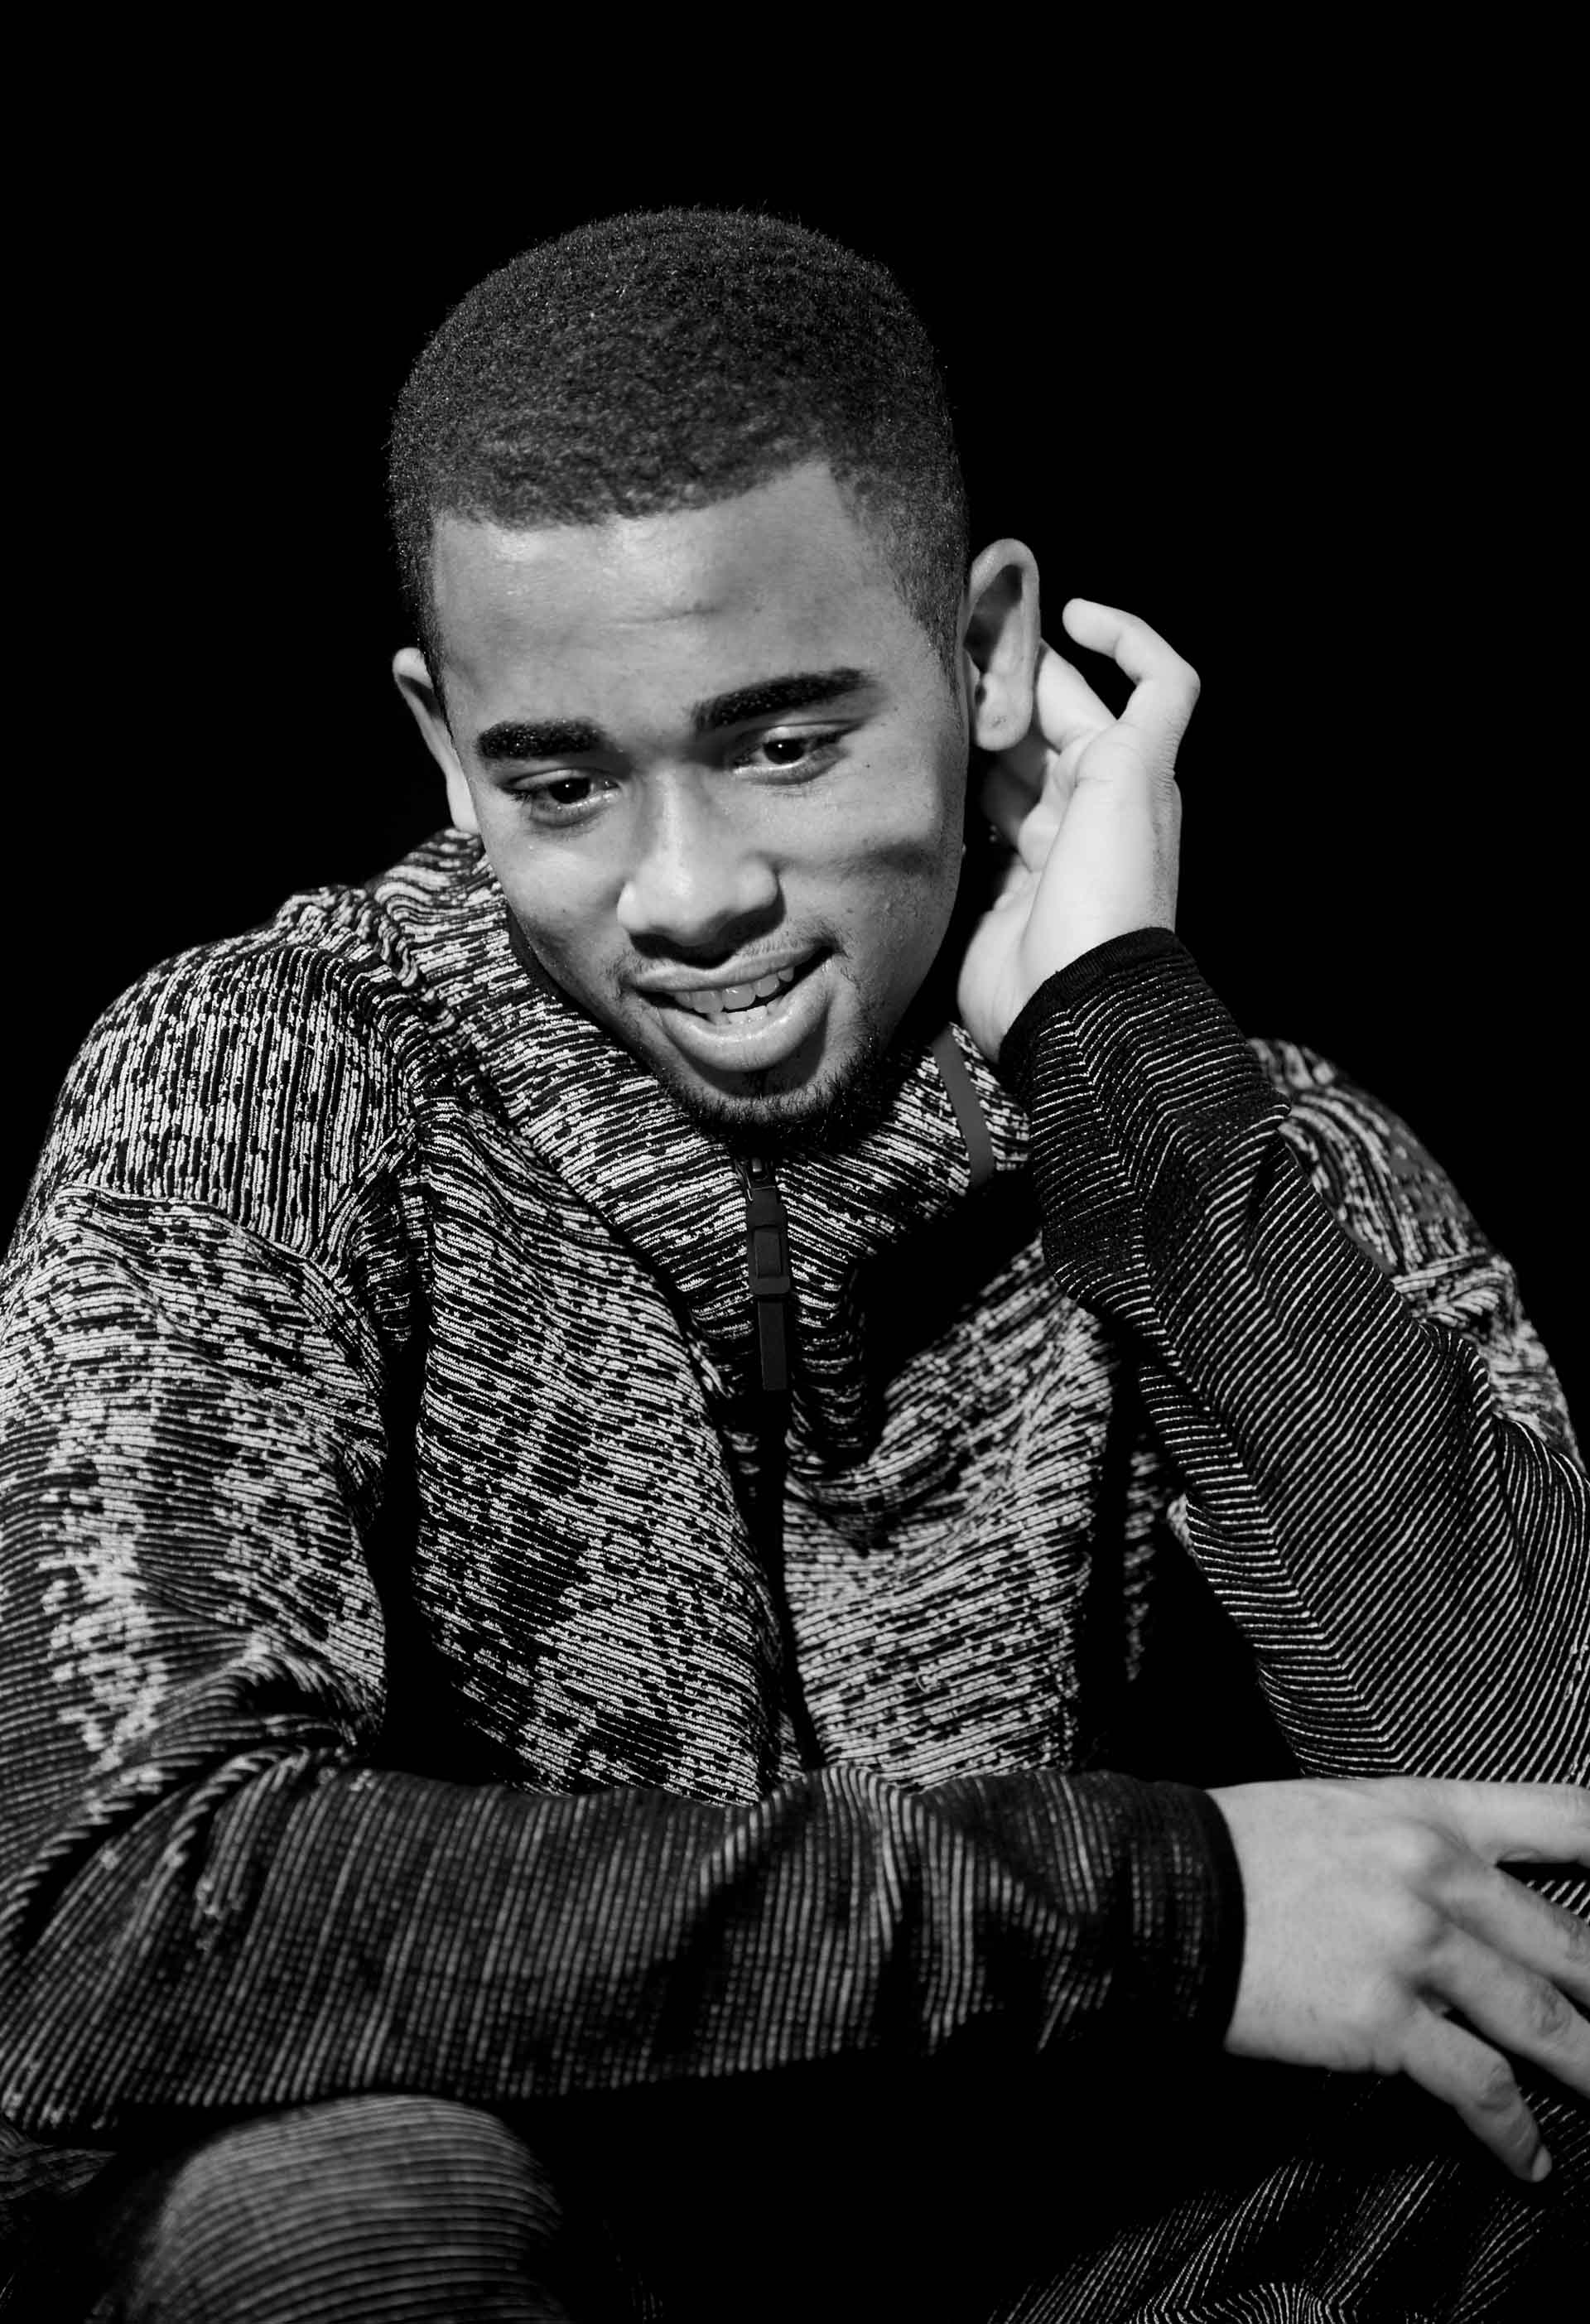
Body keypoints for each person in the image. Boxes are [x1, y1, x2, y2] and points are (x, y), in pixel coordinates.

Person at [1, 206, 1584, 2322]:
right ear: (447, 742)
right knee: (352, 2218)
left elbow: (1567, 1845)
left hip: (1077, 2279)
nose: (688, 894)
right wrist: (1166, 1903)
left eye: (782, 743)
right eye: (562, 778)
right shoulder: (269, 1082)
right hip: (552, 2268)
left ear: (987, 649)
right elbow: (106, 1917)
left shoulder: (1223, 1138)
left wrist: (1123, 1064)